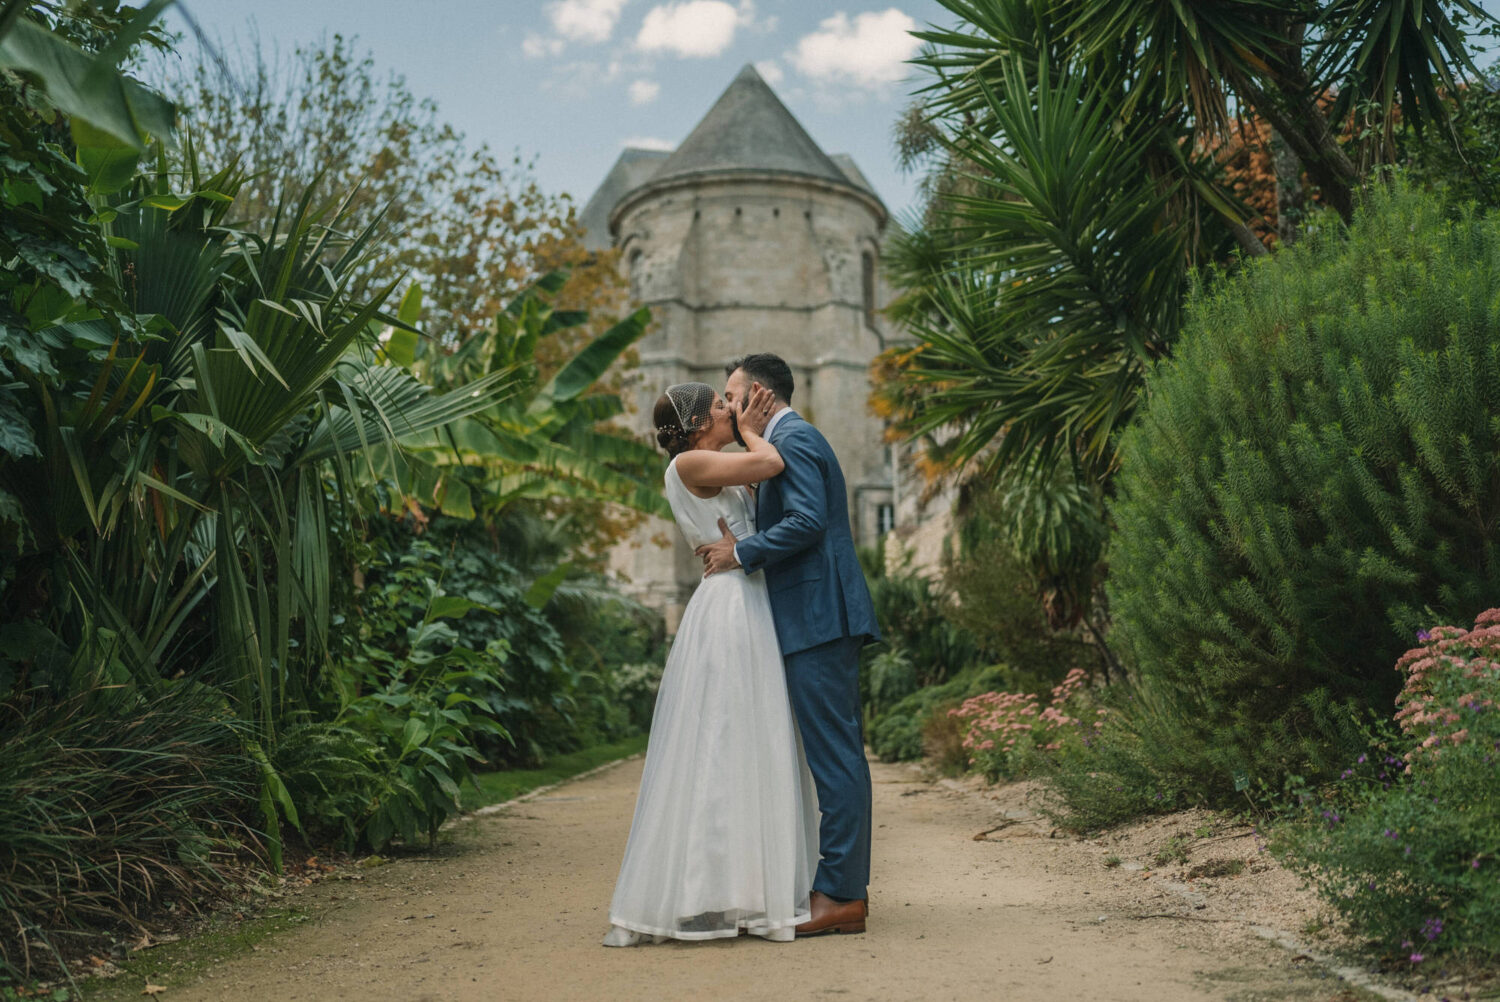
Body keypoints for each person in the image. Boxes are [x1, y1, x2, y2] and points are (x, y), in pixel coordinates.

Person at [602, 380, 819, 946]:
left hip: (746, 598)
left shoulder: (709, 461)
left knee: (746, 742)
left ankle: (738, 889)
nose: (732, 408)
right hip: (730, 609)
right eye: (722, 405)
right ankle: (705, 890)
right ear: (699, 423)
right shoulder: (691, 462)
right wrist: (752, 430)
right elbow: (771, 461)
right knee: (724, 740)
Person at [696, 352, 880, 937]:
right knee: (834, 753)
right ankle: (841, 887)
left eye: (731, 396)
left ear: (759, 396)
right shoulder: (779, 442)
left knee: (836, 757)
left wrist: (739, 553)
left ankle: (843, 895)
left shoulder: (793, 439)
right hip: (814, 616)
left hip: (820, 616)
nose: (724, 407)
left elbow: (806, 522)